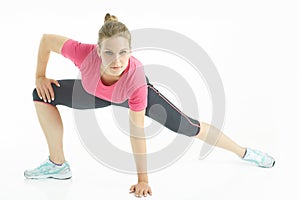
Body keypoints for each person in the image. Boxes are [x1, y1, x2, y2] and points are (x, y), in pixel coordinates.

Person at [24, 13, 275, 198]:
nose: (117, 60)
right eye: (109, 53)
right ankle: (58, 165)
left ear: (131, 51)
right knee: (41, 94)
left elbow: (136, 133)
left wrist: (142, 179)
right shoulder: (83, 53)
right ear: (98, 51)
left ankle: (245, 152)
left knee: (188, 126)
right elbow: (47, 41)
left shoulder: (135, 80)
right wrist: (40, 76)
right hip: (95, 93)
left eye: (123, 53)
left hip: (129, 95)